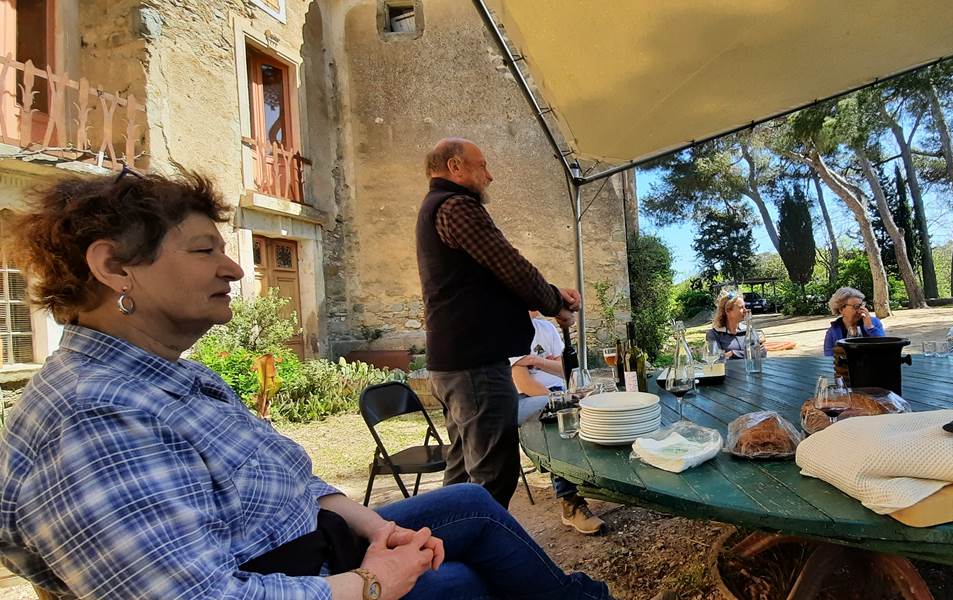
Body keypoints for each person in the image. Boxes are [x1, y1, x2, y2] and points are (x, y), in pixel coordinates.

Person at [0, 172, 610, 599]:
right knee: (462, 582)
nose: (235, 266)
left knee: (473, 505)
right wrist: (373, 583)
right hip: (291, 573)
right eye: (204, 248)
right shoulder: (96, 417)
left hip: (317, 545)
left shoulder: (176, 375)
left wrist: (375, 530)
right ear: (113, 267)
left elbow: (294, 479)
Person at [417, 137, 581, 509]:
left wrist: (552, 294)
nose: (489, 176)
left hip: (453, 365)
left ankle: (451, 556)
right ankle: (488, 561)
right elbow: (509, 265)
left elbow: (494, 277)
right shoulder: (456, 206)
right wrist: (555, 301)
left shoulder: (436, 209)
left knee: (460, 476)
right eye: (482, 165)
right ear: (455, 167)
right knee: (493, 477)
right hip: (475, 366)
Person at [510, 311, 605, 535]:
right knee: (564, 416)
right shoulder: (510, 330)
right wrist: (560, 399)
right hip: (522, 401)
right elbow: (524, 383)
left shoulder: (547, 328)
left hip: (559, 393)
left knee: (600, 404)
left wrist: (535, 361)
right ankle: (571, 504)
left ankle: (598, 479)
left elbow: (567, 368)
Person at [822, 287, 886, 356]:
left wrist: (870, 327)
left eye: (861, 306)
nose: (860, 311)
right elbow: (829, 358)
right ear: (841, 309)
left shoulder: (874, 322)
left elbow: (884, 348)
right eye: (856, 307)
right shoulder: (832, 332)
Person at [705, 290, 767, 360]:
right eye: (741, 307)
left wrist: (733, 353)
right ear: (728, 311)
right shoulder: (714, 334)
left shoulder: (749, 330)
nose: (745, 310)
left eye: (745, 307)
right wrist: (748, 354)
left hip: (750, 370)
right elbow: (717, 359)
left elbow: (762, 352)